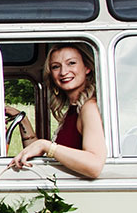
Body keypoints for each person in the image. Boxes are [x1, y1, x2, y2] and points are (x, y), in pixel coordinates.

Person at [10, 43, 106, 179]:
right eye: (56, 66)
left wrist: (47, 146)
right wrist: (22, 120)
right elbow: (40, 152)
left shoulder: (89, 107)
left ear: (87, 67)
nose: (63, 72)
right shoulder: (74, 109)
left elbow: (94, 166)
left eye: (71, 63)